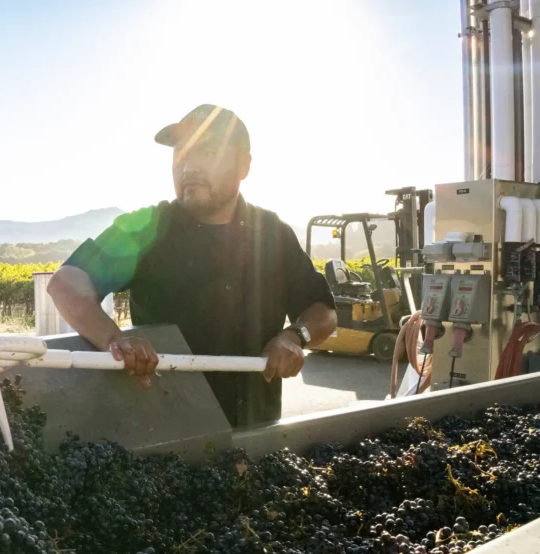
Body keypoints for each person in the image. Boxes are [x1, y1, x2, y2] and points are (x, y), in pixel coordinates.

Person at [47, 104, 337, 429]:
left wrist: (295, 335)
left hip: (258, 437)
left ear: (243, 165)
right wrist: (115, 339)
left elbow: (323, 311)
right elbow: (65, 283)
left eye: (208, 152)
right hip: (168, 438)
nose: (189, 167)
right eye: (181, 154)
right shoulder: (146, 228)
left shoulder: (273, 234)